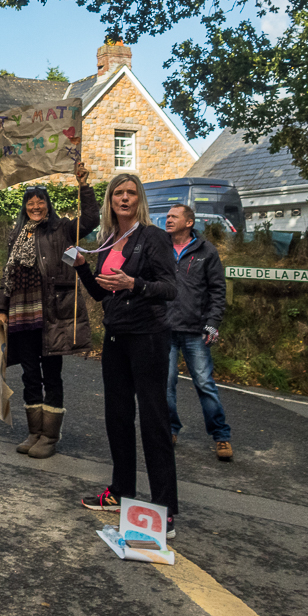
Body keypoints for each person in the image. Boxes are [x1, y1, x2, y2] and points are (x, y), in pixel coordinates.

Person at [77, 173, 179, 537]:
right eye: (118, 193)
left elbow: (170, 288)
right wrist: (80, 268)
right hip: (117, 338)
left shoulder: (152, 237)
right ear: (110, 199)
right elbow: (103, 294)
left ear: (139, 199)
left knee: (153, 421)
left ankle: (165, 507)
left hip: (149, 337)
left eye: (130, 193)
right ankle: (121, 491)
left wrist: (134, 283)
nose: (124, 198)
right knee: (117, 416)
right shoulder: (108, 240)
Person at [0, 163, 99, 459]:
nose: (36, 205)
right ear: (24, 207)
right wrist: (1, 307)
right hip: (21, 313)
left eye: (41, 201)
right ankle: (34, 431)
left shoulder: (62, 229)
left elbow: (91, 218)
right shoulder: (17, 235)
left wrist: (84, 185)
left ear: (48, 205)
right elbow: (7, 274)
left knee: (51, 374)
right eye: (30, 201)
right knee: (29, 374)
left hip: (52, 313)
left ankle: (50, 436)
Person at [164, 204, 233, 460]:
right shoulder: (160, 247)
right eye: (168, 216)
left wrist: (212, 323)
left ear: (189, 222)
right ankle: (170, 429)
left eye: (174, 216)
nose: (168, 220)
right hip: (165, 329)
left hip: (196, 330)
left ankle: (221, 436)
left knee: (205, 384)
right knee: (165, 385)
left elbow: (217, 291)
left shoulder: (206, 251)